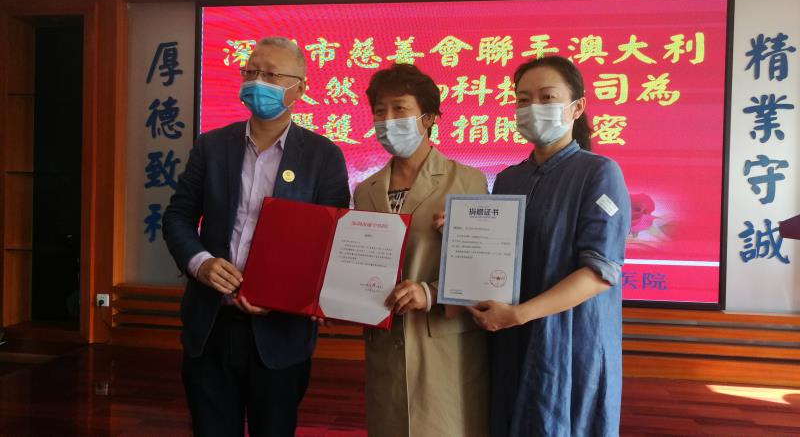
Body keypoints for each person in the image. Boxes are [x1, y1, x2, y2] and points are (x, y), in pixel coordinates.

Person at [162, 36, 350, 437]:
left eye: (271, 74)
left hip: (280, 335)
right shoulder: (212, 146)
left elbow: (329, 242)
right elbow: (178, 217)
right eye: (251, 71)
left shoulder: (323, 156)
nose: (257, 81)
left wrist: (283, 295)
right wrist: (201, 264)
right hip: (211, 325)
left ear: (300, 88)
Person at [466, 55, 631, 436]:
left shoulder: (599, 173)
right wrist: (461, 229)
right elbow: (496, 251)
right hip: (510, 335)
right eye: (523, 99)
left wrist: (520, 314)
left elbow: (599, 272)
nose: (532, 108)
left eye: (547, 97)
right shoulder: (509, 179)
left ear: (577, 107)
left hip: (570, 342)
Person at [353, 63, 489, 437]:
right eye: (379, 111)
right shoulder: (365, 190)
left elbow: (486, 271)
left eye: (399, 109)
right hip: (385, 343)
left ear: (428, 118)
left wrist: (429, 293)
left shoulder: (467, 181)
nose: (387, 120)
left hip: (442, 343)